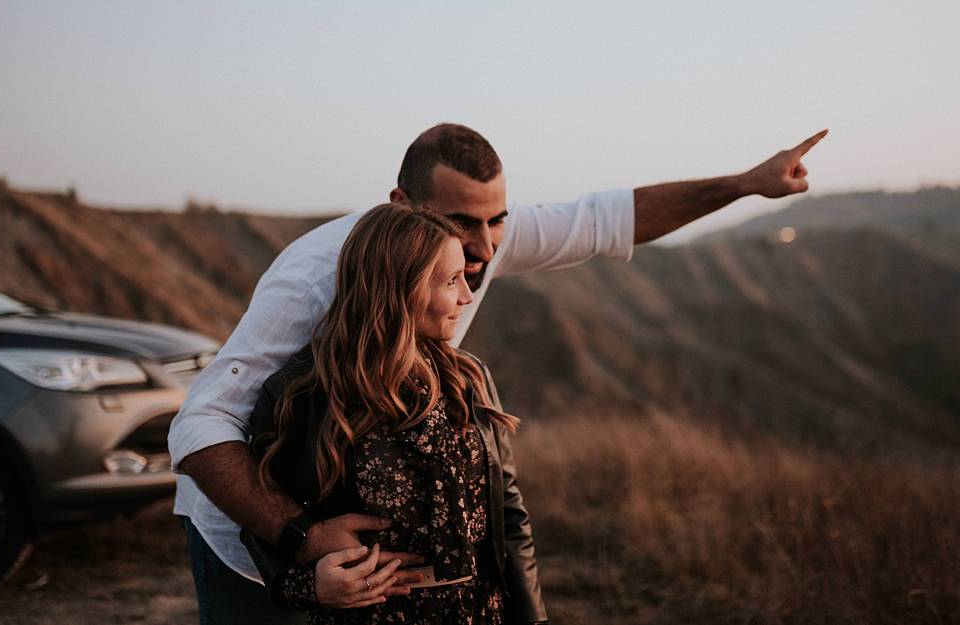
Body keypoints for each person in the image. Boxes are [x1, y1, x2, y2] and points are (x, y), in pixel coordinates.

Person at [168, 122, 827, 623]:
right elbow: (201, 422)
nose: (484, 250)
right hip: (250, 534)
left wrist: (745, 184)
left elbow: (607, 219)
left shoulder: (476, 246)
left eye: (497, 221)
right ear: (402, 204)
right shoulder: (314, 278)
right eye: (462, 224)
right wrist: (301, 537)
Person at [242, 203, 543, 624]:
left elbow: (509, 514)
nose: (466, 296)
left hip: (481, 611)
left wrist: (532, 618)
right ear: (404, 287)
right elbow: (260, 521)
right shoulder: (302, 394)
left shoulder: (467, 379)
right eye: (452, 280)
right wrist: (311, 587)